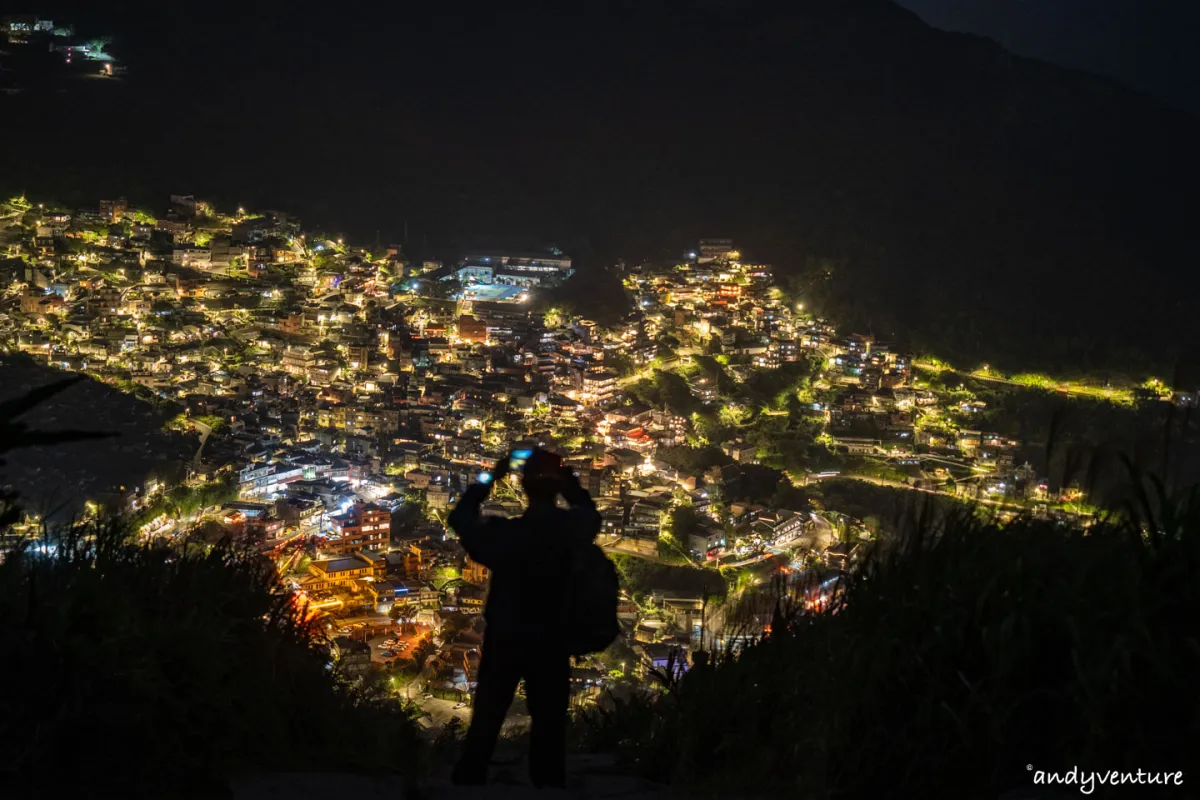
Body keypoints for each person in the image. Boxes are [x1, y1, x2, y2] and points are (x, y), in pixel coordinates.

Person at [447, 448, 601, 788]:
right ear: (555, 487)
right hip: (552, 639)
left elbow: (461, 518)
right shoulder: (570, 532)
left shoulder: (506, 535)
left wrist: (490, 477)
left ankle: (469, 780)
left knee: (487, 717)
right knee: (549, 725)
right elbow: (589, 512)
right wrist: (569, 483)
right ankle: (548, 785)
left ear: (523, 487)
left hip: (506, 637)